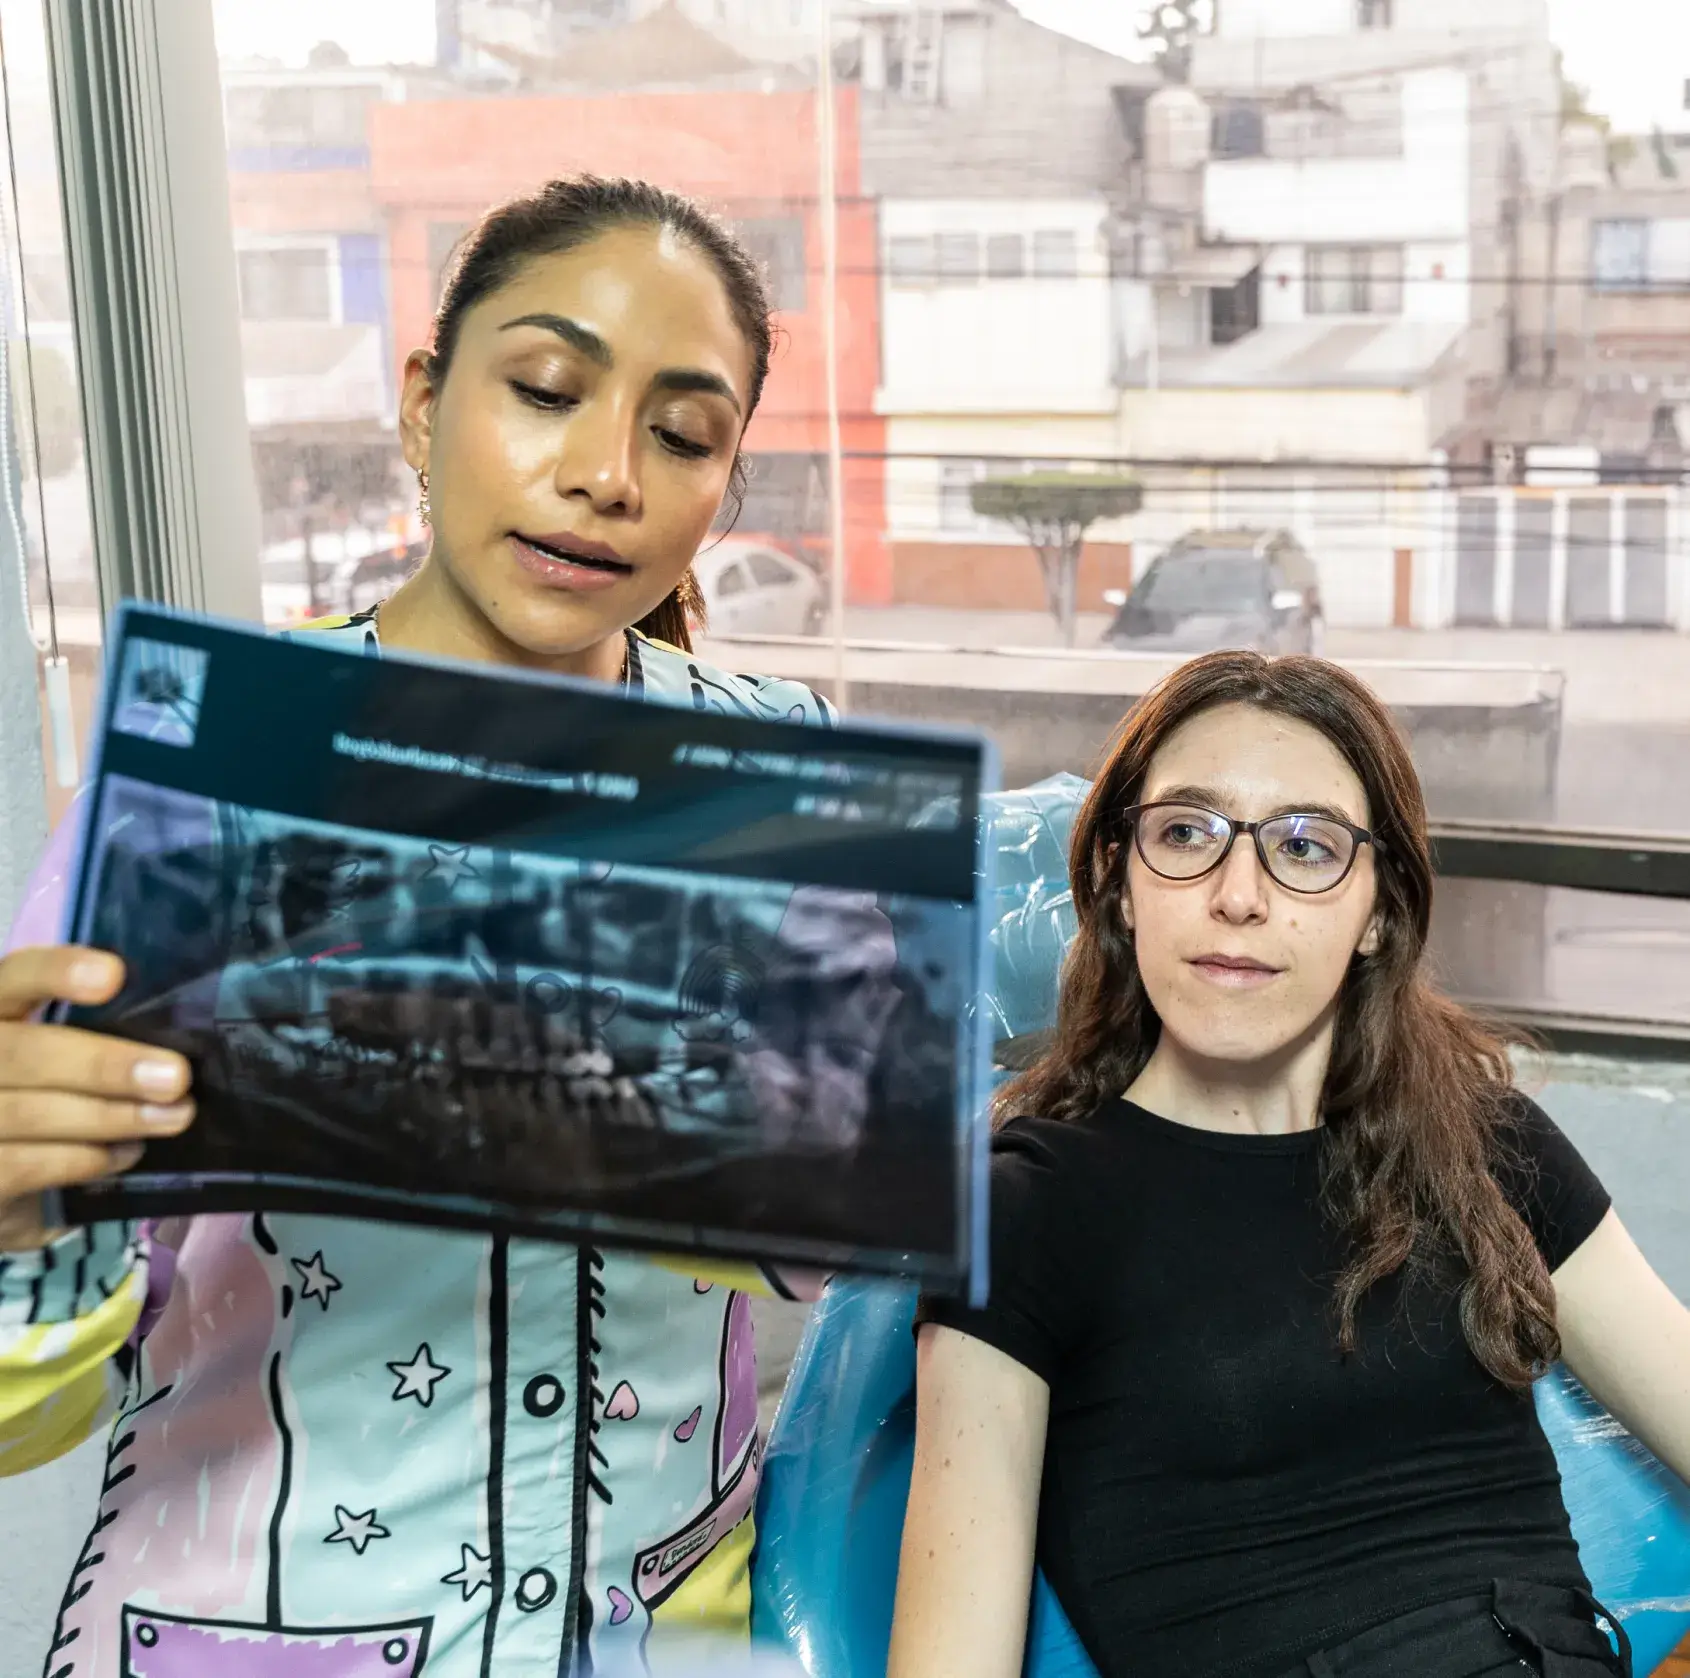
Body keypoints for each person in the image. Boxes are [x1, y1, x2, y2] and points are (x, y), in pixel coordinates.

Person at [0, 176, 862, 1678]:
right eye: (545, 389)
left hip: (660, 1640)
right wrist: (20, 1220)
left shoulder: (780, 774)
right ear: (421, 402)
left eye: (680, 432)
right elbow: (31, 1409)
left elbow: (834, 1239)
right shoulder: (207, 771)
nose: (606, 474)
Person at [888, 651, 1690, 1678]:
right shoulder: (1022, 1212)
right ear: (1120, 885)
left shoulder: (1485, 1141)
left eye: (1304, 846)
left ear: (1379, 912)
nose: (1238, 895)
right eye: (1186, 833)